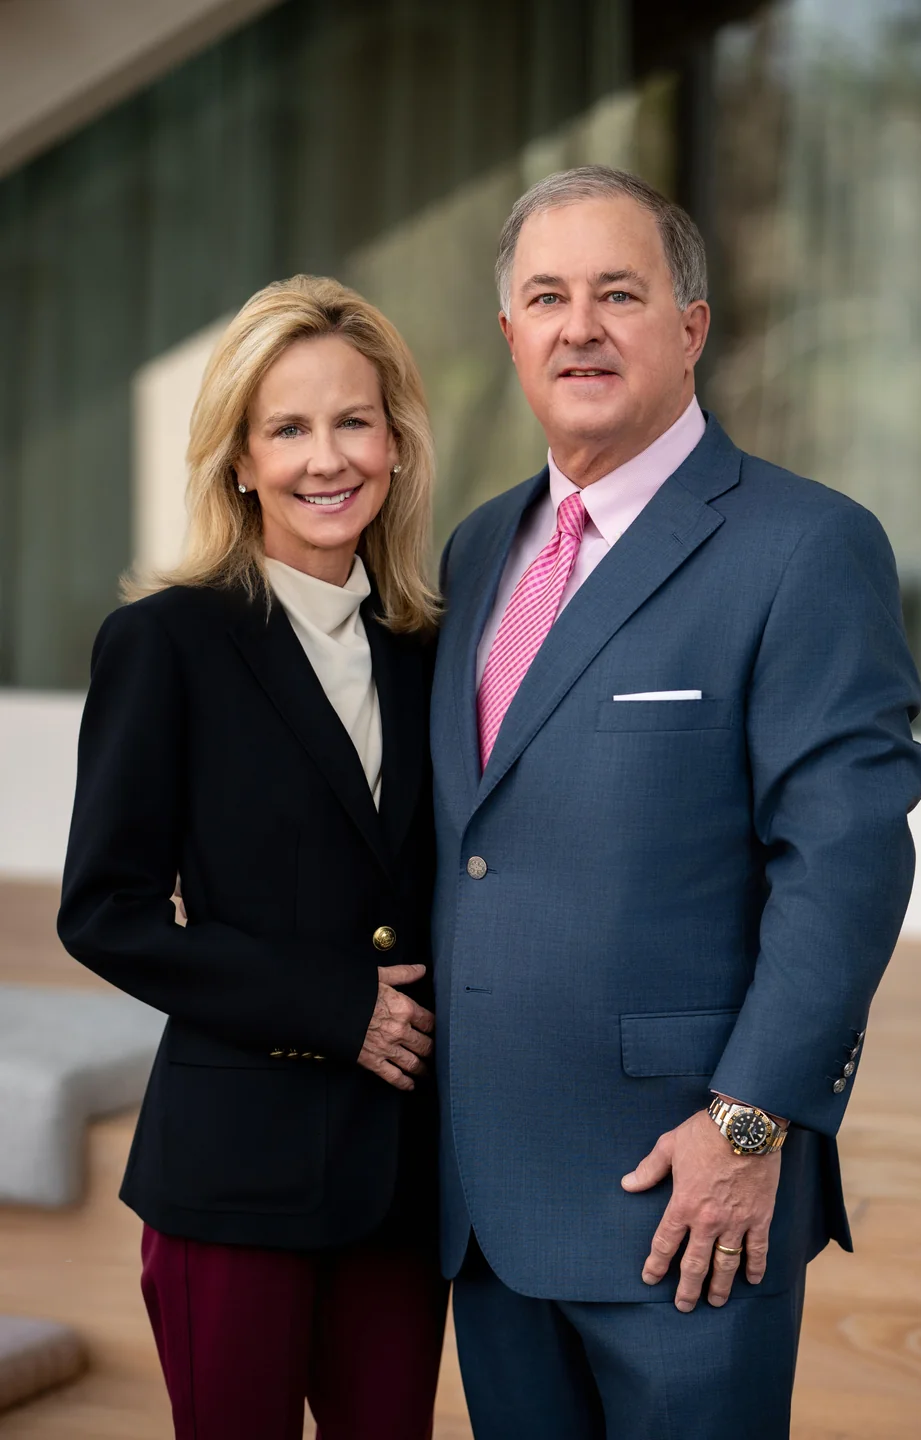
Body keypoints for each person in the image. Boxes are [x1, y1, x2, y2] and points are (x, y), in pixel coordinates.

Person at [430, 166, 921, 1439]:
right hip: (486, 1204)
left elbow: (846, 866)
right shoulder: (480, 548)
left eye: (619, 293)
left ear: (691, 325)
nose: (579, 326)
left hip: (686, 1197)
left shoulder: (805, 547)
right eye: (547, 297)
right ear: (509, 337)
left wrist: (751, 1126)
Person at [58, 275, 447, 1440]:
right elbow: (106, 910)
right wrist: (336, 1008)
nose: (326, 459)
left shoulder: (435, 643)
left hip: (404, 1174)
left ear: (395, 443)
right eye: (287, 428)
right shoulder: (165, 642)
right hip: (234, 1172)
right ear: (238, 458)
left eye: (353, 422)